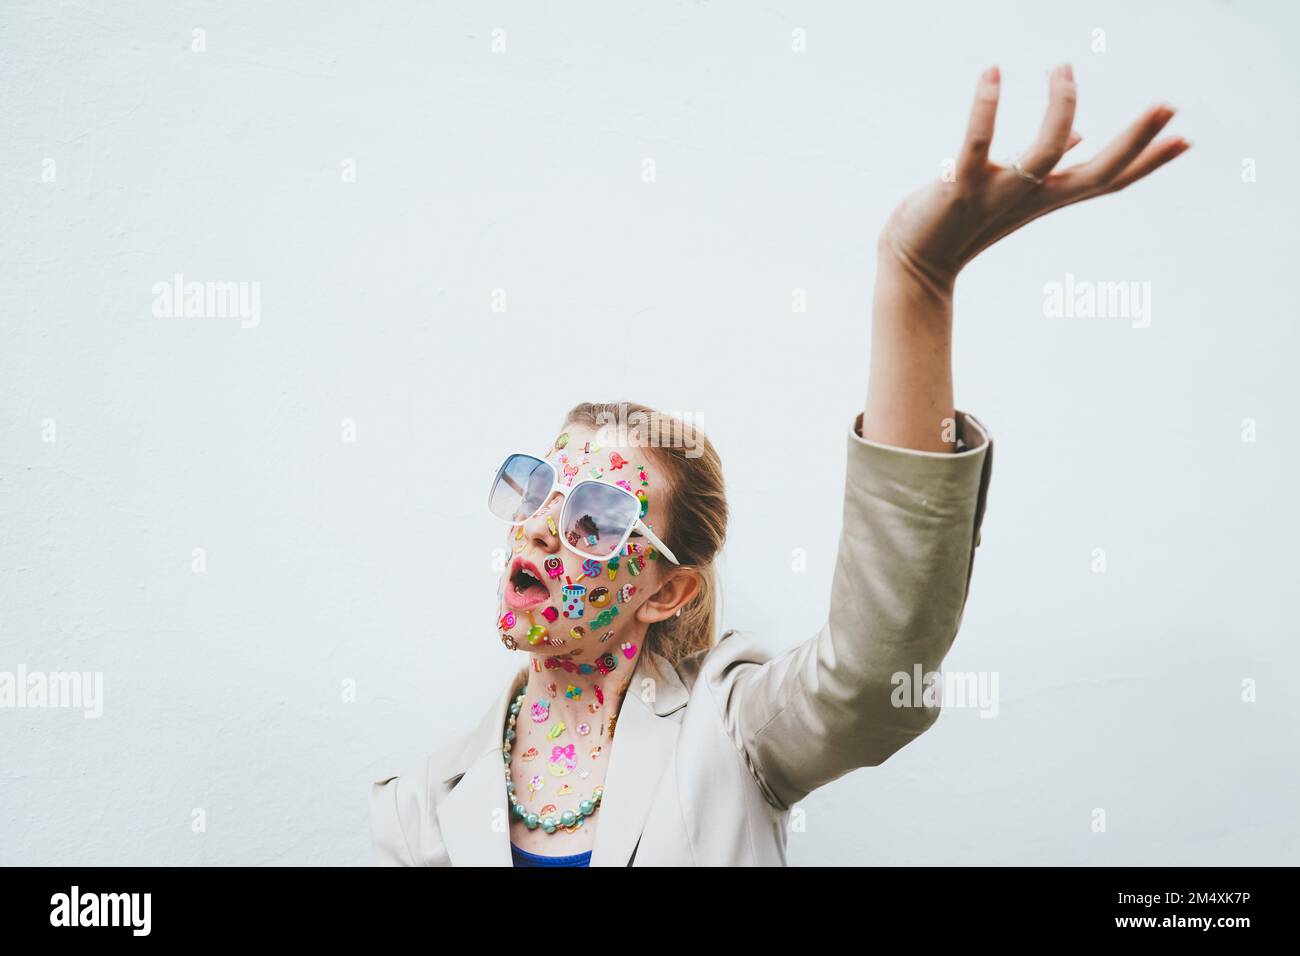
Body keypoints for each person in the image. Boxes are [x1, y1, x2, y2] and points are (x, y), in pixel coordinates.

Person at [369, 64, 1189, 866]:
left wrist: (918, 284)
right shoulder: (421, 808)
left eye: (596, 517)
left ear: (667, 591)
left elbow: (875, 676)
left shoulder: (735, 733)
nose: (545, 529)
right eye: (538, 488)